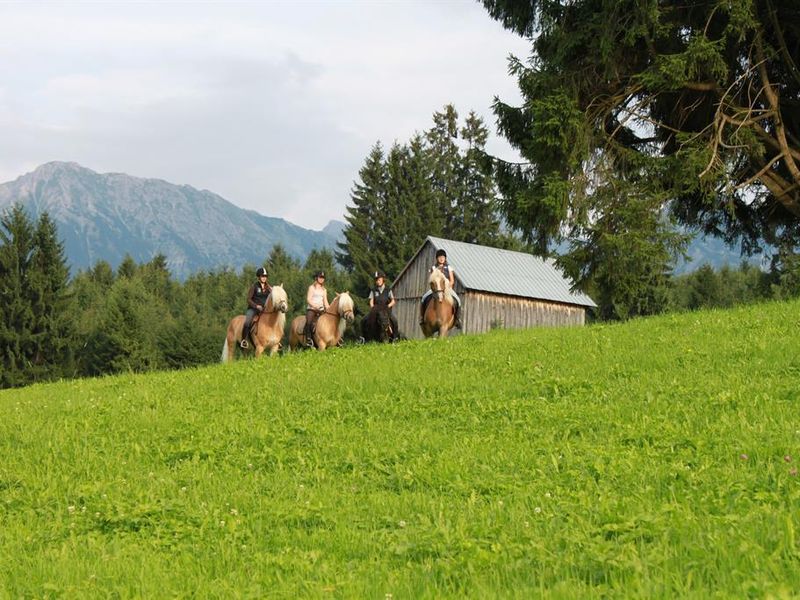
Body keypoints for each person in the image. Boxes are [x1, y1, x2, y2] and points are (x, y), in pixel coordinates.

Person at [420, 248, 461, 328]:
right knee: (423, 298)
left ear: (445, 258)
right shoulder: (433, 268)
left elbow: (452, 280)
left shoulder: (449, 268)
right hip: (435, 289)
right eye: (440, 257)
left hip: (447, 289)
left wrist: (447, 287)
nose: (441, 258)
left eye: (443, 257)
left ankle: (457, 319)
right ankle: (422, 317)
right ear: (437, 258)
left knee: (458, 300)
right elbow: (431, 280)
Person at [240, 266, 272, 349]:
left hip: (265, 310)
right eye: (262, 276)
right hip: (253, 309)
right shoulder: (254, 286)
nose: (264, 278)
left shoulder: (269, 288)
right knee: (248, 321)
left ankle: (276, 340)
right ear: (259, 277)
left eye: (265, 276)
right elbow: (249, 299)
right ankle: (244, 340)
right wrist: (256, 306)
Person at [369, 270, 399, 340]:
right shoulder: (373, 290)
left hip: (386, 311)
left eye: (379, 279)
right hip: (376, 311)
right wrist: (373, 308)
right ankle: (364, 338)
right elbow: (371, 301)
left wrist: (387, 306)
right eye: (376, 280)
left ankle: (395, 338)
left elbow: (393, 301)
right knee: (364, 320)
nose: (377, 281)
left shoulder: (388, 290)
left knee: (394, 321)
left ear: (383, 279)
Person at [304, 270, 330, 347]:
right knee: (309, 322)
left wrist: (329, 308)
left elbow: (325, 301)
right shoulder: (311, 288)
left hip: (321, 309)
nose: (322, 279)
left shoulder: (324, 290)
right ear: (316, 278)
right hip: (312, 309)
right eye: (320, 277)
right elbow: (308, 299)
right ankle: (308, 339)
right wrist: (315, 306)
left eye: (323, 277)